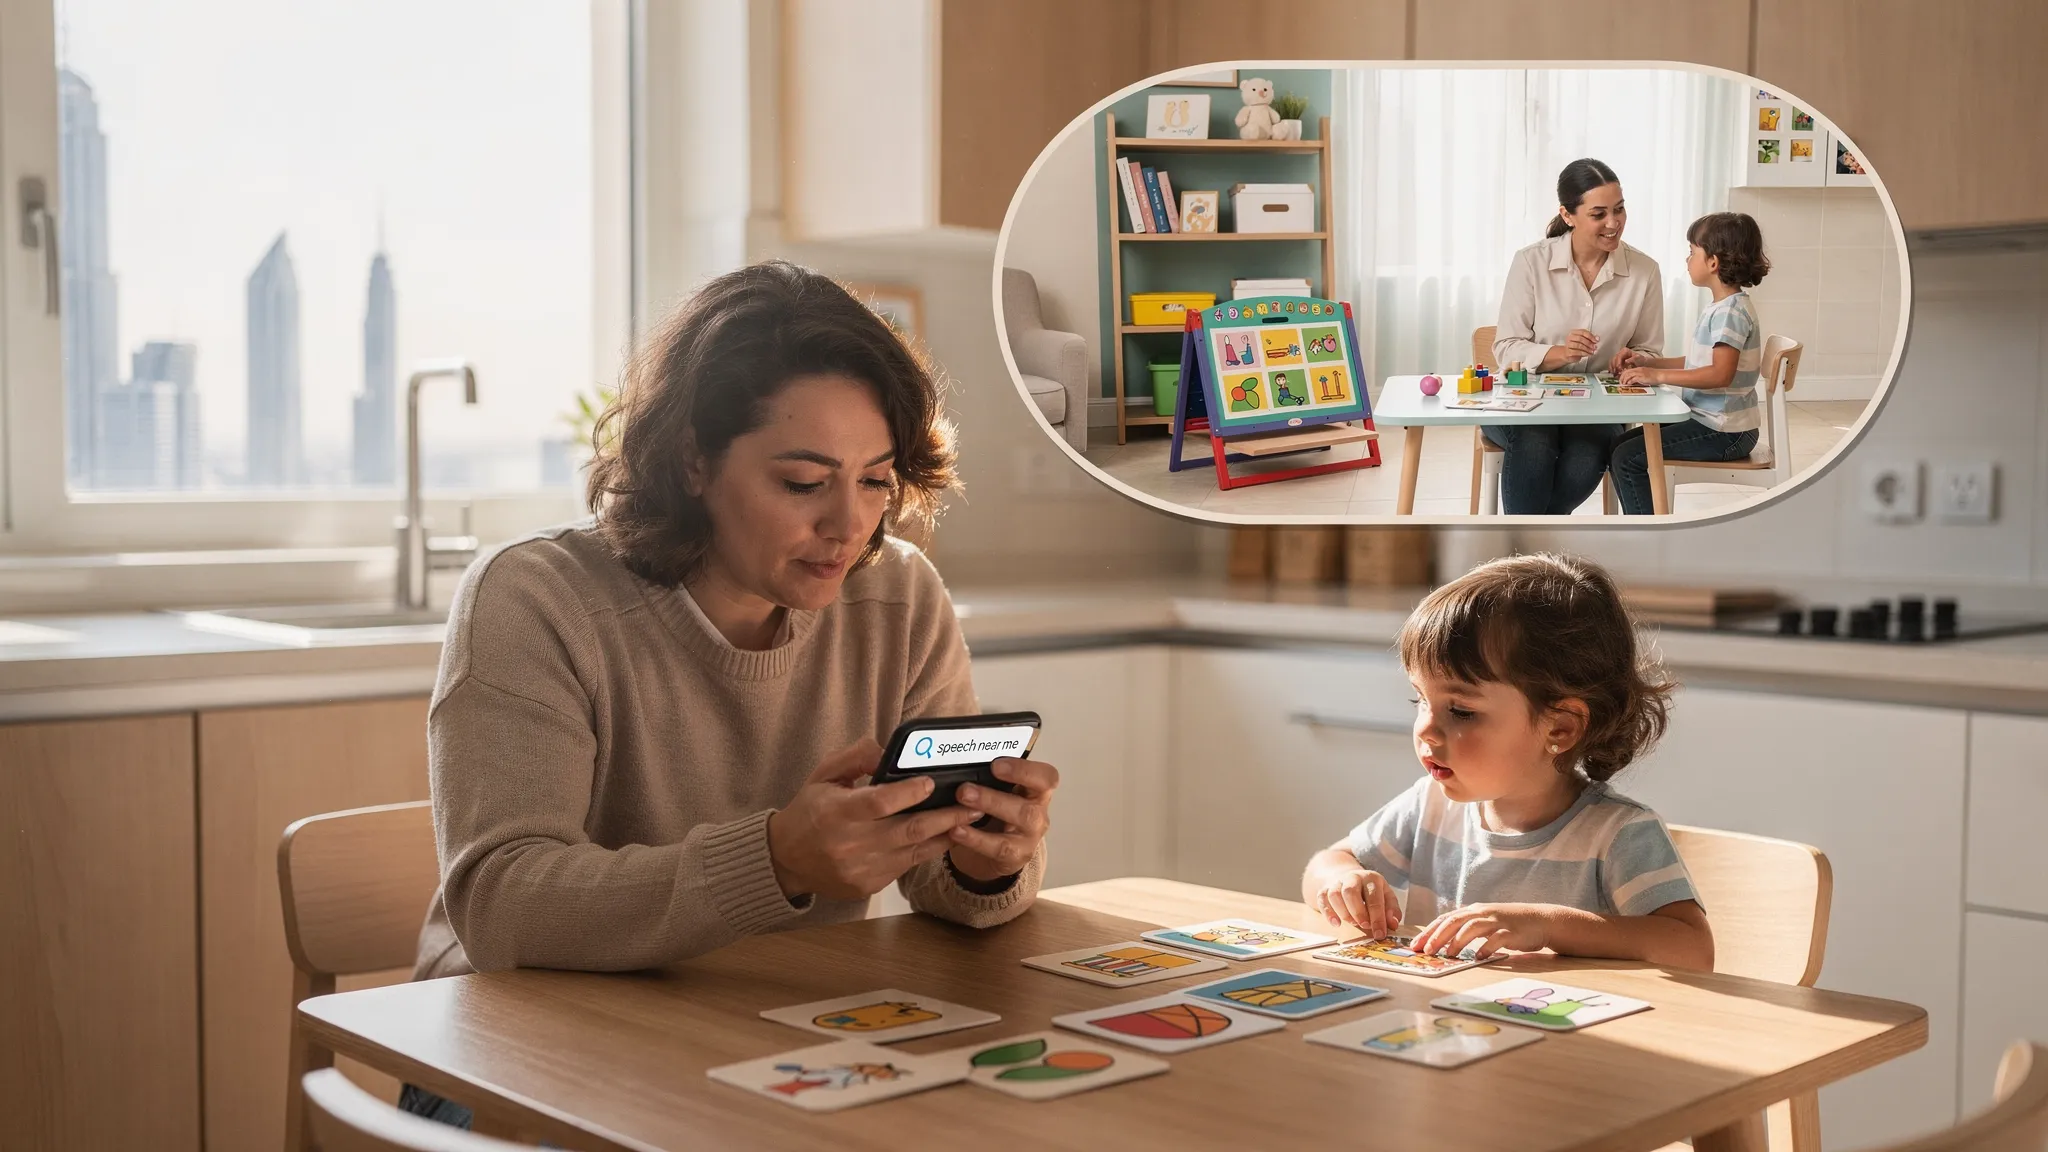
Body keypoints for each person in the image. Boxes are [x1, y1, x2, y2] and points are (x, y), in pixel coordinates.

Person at [398, 260, 1058, 1126]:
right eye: (803, 482)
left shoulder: (898, 595)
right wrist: (776, 858)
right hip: (510, 1060)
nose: (850, 525)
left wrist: (983, 861)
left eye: (874, 480)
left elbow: (939, 879)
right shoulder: (537, 598)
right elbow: (502, 909)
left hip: (765, 1044)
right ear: (693, 461)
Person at [1299, 553, 1713, 970]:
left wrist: (1547, 925)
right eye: (1420, 700)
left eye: (1460, 711)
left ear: (1560, 728)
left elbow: (1693, 947)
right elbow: (1326, 863)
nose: (1425, 728)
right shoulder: (1429, 807)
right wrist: (1340, 880)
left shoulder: (1619, 835)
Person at [1488, 159, 1667, 514]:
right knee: (1535, 442)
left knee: (1586, 455)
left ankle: (1523, 553)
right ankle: (1535, 554)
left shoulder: (1645, 271)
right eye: (1599, 214)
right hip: (1523, 403)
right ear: (1568, 215)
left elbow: (1649, 348)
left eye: (1619, 209)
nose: (1613, 223)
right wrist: (1559, 353)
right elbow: (1506, 346)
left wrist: (1635, 358)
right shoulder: (1531, 263)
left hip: (1597, 409)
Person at [1609, 212, 1772, 514]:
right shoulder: (1725, 306)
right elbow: (1699, 362)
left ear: (1713, 263)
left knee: (1627, 457)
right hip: (1714, 423)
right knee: (1619, 446)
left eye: (1692, 252)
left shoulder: (1730, 313)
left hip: (1725, 432)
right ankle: (1644, 525)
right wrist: (1648, 363)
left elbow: (1720, 374)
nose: (1687, 260)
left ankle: (1649, 534)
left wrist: (1657, 378)